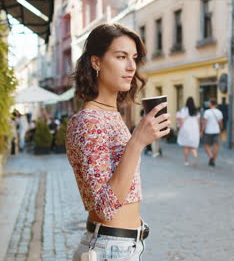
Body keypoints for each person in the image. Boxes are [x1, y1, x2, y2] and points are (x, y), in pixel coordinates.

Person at [66, 23, 170, 261]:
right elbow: (104, 209)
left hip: (123, 245)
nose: (132, 66)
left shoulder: (111, 115)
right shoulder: (88, 120)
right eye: (121, 56)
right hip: (109, 247)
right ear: (96, 62)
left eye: (134, 58)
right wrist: (136, 143)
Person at [176, 97, 200, 165]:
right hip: (194, 129)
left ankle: (186, 161)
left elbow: (181, 120)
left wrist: (179, 126)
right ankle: (195, 158)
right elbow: (198, 122)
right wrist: (199, 131)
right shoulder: (196, 111)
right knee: (193, 146)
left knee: (186, 146)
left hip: (186, 128)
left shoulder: (184, 110)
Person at [200, 98, 223, 166]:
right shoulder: (219, 112)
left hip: (208, 131)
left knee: (206, 145)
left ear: (210, 103)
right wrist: (220, 131)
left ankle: (211, 157)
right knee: (215, 146)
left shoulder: (207, 112)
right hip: (216, 131)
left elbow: (205, 123)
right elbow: (221, 123)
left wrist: (202, 131)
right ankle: (213, 160)